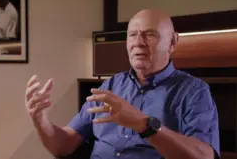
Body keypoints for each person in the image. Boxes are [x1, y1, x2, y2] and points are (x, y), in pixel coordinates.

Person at [24, 9, 220, 159]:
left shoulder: (194, 91)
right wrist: (41, 121)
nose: (138, 42)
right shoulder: (108, 87)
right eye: (132, 35)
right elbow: (63, 145)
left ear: (172, 42)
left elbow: (204, 155)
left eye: (150, 34)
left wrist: (145, 125)